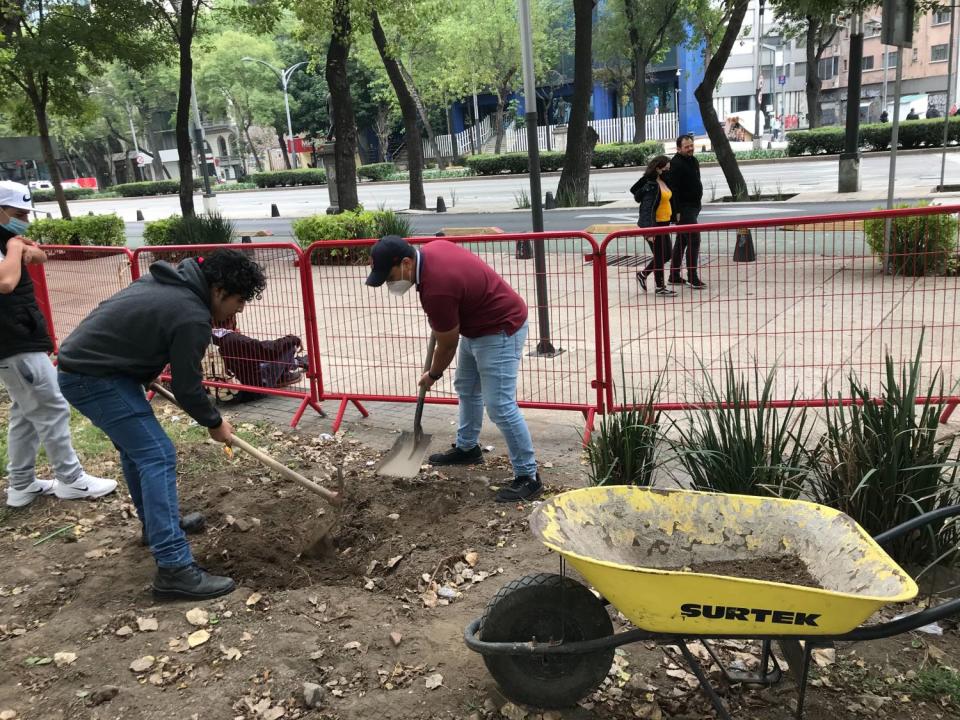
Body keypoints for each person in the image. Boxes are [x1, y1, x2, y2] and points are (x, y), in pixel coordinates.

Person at [57, 250, 267, 600]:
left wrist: (138, 369)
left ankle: (156, 530)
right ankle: (174, 569)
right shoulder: (191, 315)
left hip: (97, 371)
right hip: (94, 377)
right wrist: (215, 423)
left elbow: (135, 332)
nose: (240, 309)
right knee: (156, 454)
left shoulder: (166, 281)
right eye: (239, 300)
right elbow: (187, 387)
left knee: (140, 452)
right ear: (218, 290)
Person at [365, 235, 542, 503]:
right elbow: (450, 325)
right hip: (476, 324)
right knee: (468, 388)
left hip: (500, 328)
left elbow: (447, 345)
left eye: (390, 276)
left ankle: (529, 476)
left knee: (500, 405)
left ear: (406, 262)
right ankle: (467, 448)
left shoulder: (437, 289)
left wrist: (432, 374)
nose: (390, 284)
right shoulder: (433, 251)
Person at [0, 180, 117, 509]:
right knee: (52, 407)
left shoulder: (6, 238)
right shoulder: (6, 244)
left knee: (26, 412)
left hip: (21, 336)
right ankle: (71, 479)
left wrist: (24, 248)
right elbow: (6, 282)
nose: (23, 219)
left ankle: (22, 485)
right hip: (13, 342)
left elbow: (39, 255)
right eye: (17, 213)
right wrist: (14, 249)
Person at [631, 156, 677, 297]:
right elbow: (646, 209)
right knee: (660, 255)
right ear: (658, 168)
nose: (668, 171)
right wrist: (649, 231)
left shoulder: (663, 181)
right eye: (666, 168)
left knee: (666, 254)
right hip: (653, 225)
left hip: (664, 223)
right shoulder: (651, 185)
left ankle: (643, 275)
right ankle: (660, 286)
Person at [666, 134, 707, 289]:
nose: (690, 149)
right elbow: (673, 190)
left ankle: (674, 275)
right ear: (678, 148)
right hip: (683, 209)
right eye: (686, 147)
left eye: (691, 145)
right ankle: (692, 276)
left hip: (693, 206)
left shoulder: (693, 160)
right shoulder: (675, 164)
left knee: (682, 241)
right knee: (694, 239)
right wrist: (676, 212)